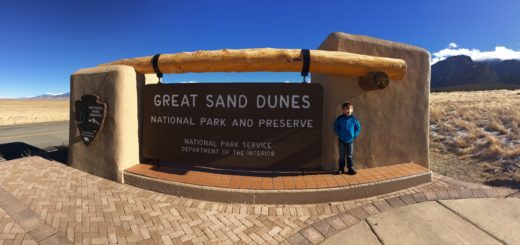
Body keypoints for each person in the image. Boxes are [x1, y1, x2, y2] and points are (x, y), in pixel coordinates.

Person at [333, 102, 361, 175]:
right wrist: (339, 134)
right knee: (342, 155)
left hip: (350, 140)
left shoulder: (354, 119)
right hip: (341, 140)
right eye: (345, 109)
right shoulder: (340, 119)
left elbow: (358, 128)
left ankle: (350, 168)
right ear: (343, 110)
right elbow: (335, 127)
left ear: (352, 110)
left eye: (349, 109)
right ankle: (341, 169)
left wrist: (354, 135)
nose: (347, 111)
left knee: (350, 155)